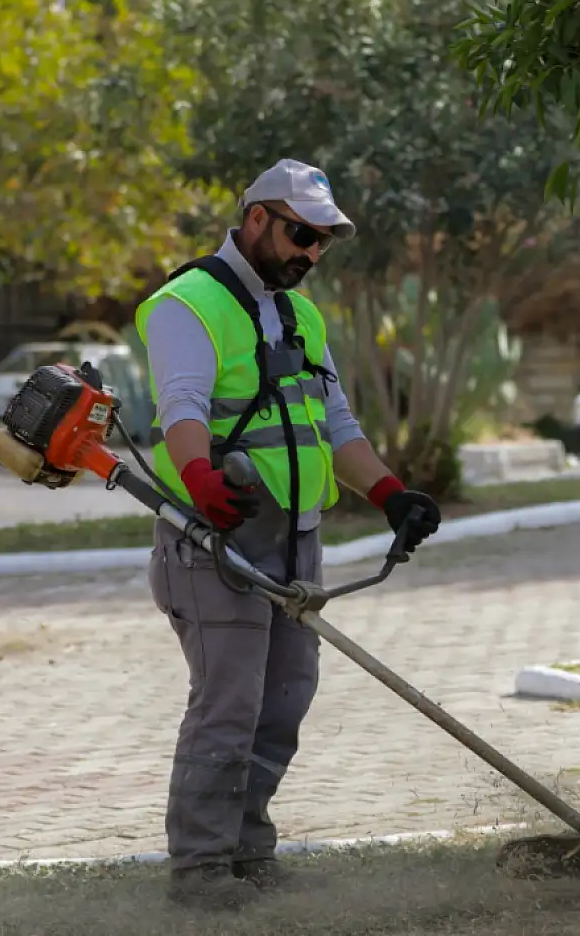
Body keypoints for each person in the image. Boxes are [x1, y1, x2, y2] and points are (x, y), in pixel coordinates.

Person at [134, 158, 442, 910]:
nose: (310, 251)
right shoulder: (189, 304)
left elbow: (335, 425)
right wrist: (200, 478)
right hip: (217, 538)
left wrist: (389, 493)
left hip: (296, 537)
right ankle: (202, 870)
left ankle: (247, 849)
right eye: (302, 233)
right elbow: (181, 410)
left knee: (284, 701)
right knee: (229, 704)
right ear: (257, 218)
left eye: (323, 241)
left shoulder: (301, 317)